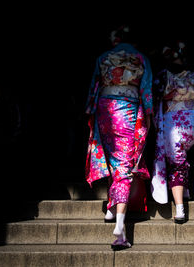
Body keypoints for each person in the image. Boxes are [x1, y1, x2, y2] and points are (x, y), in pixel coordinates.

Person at [84, 25, 153, 250]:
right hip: (127, 107)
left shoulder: (104, 57)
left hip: (105, 107)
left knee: (111, 159)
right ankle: (120, 229)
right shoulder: (139, 57)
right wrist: (149, 114)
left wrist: (90, 111)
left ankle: (112, 208)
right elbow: (146, 89)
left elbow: (95, 85)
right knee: (124, 166)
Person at [151, 41, 194, 223]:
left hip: (173, 121)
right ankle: (184, 192)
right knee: (182, 157)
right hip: (192, 119)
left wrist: (168, 97)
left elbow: (154, 96)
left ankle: (180, 208)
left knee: (177, 162)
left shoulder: (163, 76)